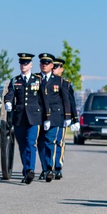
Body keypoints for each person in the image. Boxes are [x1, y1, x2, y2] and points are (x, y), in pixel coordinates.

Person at [2, 52, 42, 185]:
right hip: (19, 118)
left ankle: (30, 170)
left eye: (26, 63)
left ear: (30, 65)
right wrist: (7, 101)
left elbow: (43, 99)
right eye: (21, 63)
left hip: (34, 117)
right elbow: (10, 94)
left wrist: (46, 116)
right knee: (22, 146)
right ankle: (26, 171)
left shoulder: (38, 80)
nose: (23, 65)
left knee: (31, 143)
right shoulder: (15, 80)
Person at [36, 53, 71, 181]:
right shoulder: (36, 79)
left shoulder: (60, 81)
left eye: (48, 63)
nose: (44, 65)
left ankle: (54, 167)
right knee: (40, 143)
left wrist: (70, 117)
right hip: (39, 116)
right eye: (42, 63)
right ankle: (45, 168)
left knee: (53, 142)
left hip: (56, 116)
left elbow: (67, 100)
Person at [52, 58, 77, 180]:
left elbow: (71, 102)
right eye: (53, 66)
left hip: (61, 117)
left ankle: (58, 167)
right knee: (47, 142)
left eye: (56, 67)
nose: (54, 69)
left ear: (61, 69)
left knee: (59, 142)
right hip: (48, 117)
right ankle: (47, 167)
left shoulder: (65, 83)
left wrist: (74, 119)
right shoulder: (44, 81)